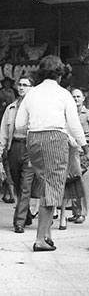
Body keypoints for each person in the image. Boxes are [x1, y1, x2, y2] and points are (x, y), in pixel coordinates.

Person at [15, 55, 89, 252]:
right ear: (60, 75)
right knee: (54, 188)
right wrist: (85, 147)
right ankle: (40, 238)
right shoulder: (63, 94)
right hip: (55, 139)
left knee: (44, 185)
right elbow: (74, 125)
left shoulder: (32, 93)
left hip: (33, 140)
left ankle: (47, 234)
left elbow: (19, 124)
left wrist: (35, 127)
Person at [0, 76, 36, 233]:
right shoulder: (11, 108)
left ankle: (19, 221)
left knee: (25, 185)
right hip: (13, 148)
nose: (21, 87)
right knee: (15, 182)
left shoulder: (36, 108)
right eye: (20, 85)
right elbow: (3, 133)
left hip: (30, 148)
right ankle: (26, 213)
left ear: (32, 88)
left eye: (25, 85)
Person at [66, 88, 89, 225]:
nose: (76, 99)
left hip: (85, 151)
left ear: (84, 98)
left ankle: (82, 213)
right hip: (71, 150)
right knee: (74, 181)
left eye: (78, 96)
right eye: (73, 96)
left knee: (84, 184)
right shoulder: (67, 114)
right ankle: (75, 212)